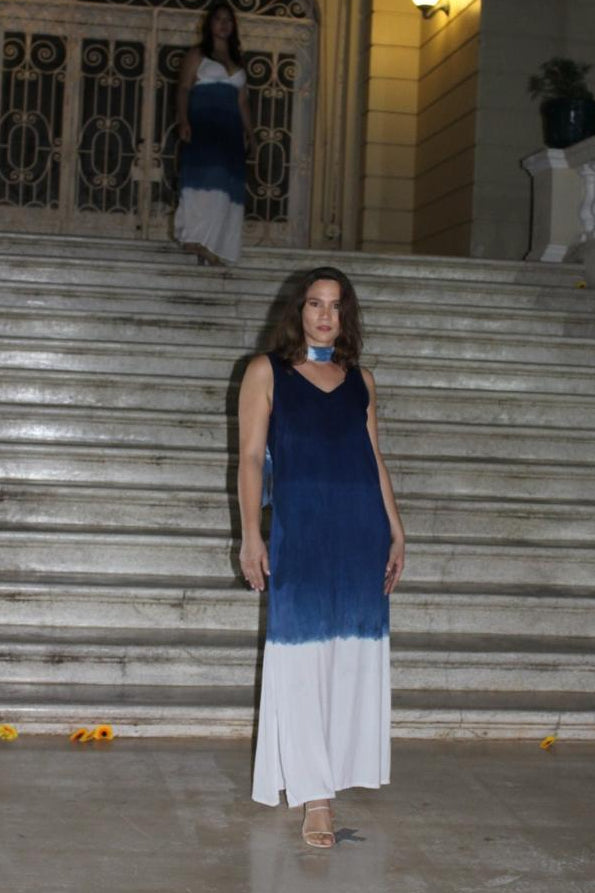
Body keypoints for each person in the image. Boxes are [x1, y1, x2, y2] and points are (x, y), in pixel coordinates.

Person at [237, 266, 406, 848]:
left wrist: (396, 530)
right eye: (315, 303)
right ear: (299, 310)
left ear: (346, 314)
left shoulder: (362, 380)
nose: (326, 315)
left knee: (351, 656)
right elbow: (251, 458)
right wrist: (251, 535)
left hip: (360, 532)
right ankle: (316, 795)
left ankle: (334, 771)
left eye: (336, 305)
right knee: (301, 657)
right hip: (301, 532)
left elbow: (373, 457)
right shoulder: (267, 372)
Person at [174, 2, 256, 266]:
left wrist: (250, 133)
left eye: (228, 20)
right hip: (204, 125)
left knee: (227, 184)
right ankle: (195, 238)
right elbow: (184, 88)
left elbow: (242, 101)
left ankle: (217, 245)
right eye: (218, 19)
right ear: (209, 24)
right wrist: (183, 119)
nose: (223, 24)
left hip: (230, 131)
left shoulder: (237, 60)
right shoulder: (198, 54)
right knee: (205, 179)